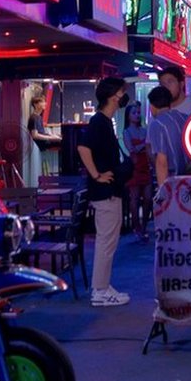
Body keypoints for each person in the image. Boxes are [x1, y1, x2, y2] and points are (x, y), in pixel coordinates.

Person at [78, 77, 131, 307]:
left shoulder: (105, 122)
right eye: (121, 92)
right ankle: (100, 290)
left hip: (109, 190)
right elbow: (83, 147)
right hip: (105, 192)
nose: (123, 97)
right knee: (106, 242)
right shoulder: (99, 122)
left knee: (108, 241)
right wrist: (97, 174)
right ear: (113, 95)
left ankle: (103, 286)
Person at [146, 86, 191, 186]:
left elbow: (162, 162)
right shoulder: (185, 118)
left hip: (172, 181)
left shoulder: (157, 124)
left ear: (152, 105)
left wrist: (163, 192)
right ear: (170, 103)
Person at [122, 101, 152, 242]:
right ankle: (137, 227)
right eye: (134, 113)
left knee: (147, 198)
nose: (137, 115)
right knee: (134, 198)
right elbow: (131, 149)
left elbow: (148, 146)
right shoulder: (126, 131)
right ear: (128, 116)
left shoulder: (144, 130)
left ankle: (144, 225)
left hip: (145, 165)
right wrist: (143, 145)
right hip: (134, 167)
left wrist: (142, 147)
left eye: (138, 112)